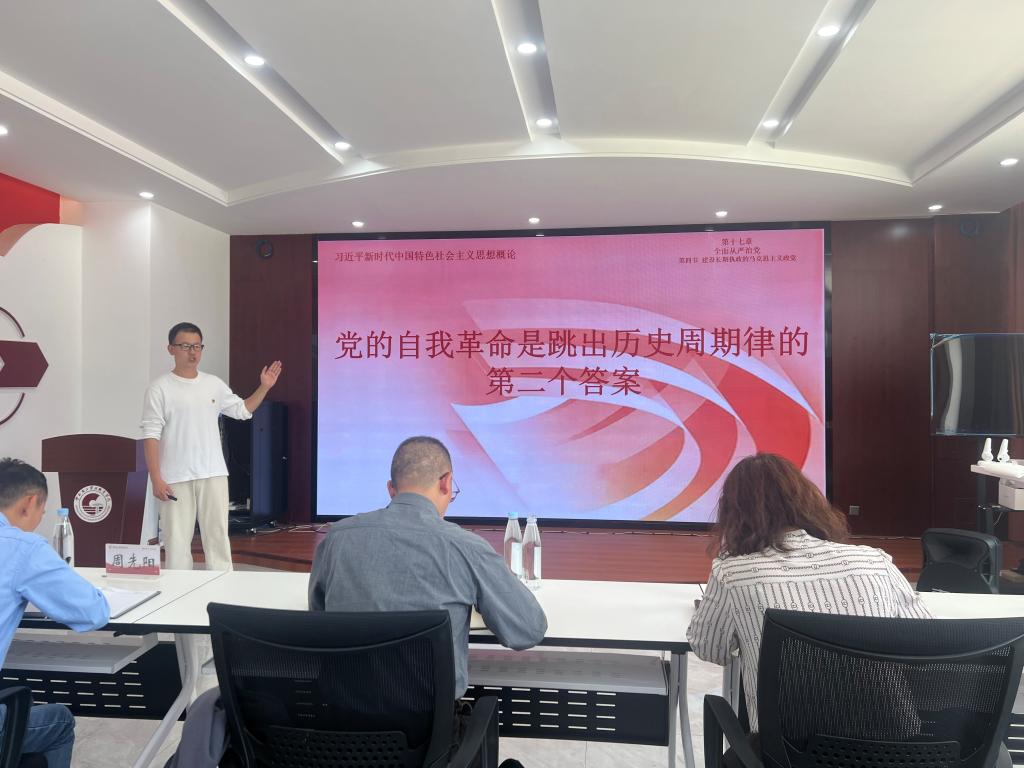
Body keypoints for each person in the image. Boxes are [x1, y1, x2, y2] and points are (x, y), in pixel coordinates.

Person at [687, 453, 932, 734]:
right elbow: (925, 640)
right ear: (809, 502)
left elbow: (710, 650)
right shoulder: (875, 561)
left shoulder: (733, 573)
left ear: (734, 514)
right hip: (891, 745)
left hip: (787, 749)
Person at [309, 436, 548, 703]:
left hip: (341, 719)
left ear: (391, 489)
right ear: (446, 482)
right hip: (431, 726)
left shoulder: (336, 538)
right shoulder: (466, 547)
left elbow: (319, 615)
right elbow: (528, 629)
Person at [141, 322, 282, 571]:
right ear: (171, 349)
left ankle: (221, 586)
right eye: (185, 346)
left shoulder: (213, 384)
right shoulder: (159, 388)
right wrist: (156, 478)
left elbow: (242, 410)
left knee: (217, 538)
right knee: (176, 541)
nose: (192, 352)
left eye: (197, 346)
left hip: (213, 473)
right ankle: (180, 590)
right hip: (175, 476)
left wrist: (264, 387)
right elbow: (151, 434)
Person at [0, 458, 110, 767]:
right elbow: (93, 612)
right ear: (29, 503)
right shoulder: (22, 547)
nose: (38, 520)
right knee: (59, 722)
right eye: (41, 512)